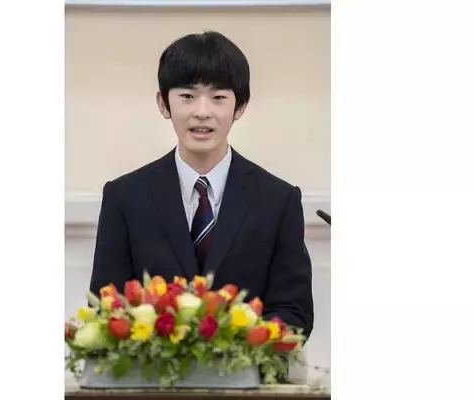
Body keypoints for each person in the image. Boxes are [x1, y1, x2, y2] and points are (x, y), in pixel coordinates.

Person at [89, 31, 314, 341]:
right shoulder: (125, 197)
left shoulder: (278, 199)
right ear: (163, 103)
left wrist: (229, 348)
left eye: (218, 97)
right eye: (187, 96)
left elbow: (294, 312)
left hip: (244, 369)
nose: (202, 111)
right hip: (153, 369)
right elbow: (107, 308)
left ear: (240, 106)